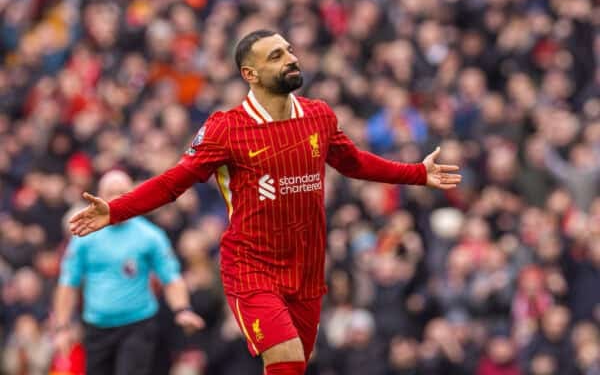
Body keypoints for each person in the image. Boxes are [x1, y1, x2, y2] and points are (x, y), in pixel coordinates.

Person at [69, 30, 461, 375]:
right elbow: (174, 182)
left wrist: (416, 173)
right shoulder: (226, 128)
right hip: (252, 268)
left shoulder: (319, 115)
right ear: (250, 74)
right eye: (276, 55)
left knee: (294, 365)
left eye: (289, 50)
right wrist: (116, 209)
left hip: (306, 270)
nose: (291, 58)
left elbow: (354, 163)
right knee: (287, 358)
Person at [54, 170, 204, 375]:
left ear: (132, 194)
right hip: (96, 327)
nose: (116, 198)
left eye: (122, 192)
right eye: (110, 192)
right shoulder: (85, 236)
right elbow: (68, 283)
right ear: (99, 195)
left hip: (137, 325)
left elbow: (171, 277)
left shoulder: (150, 236)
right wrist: (62, 328)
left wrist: (182, 309)